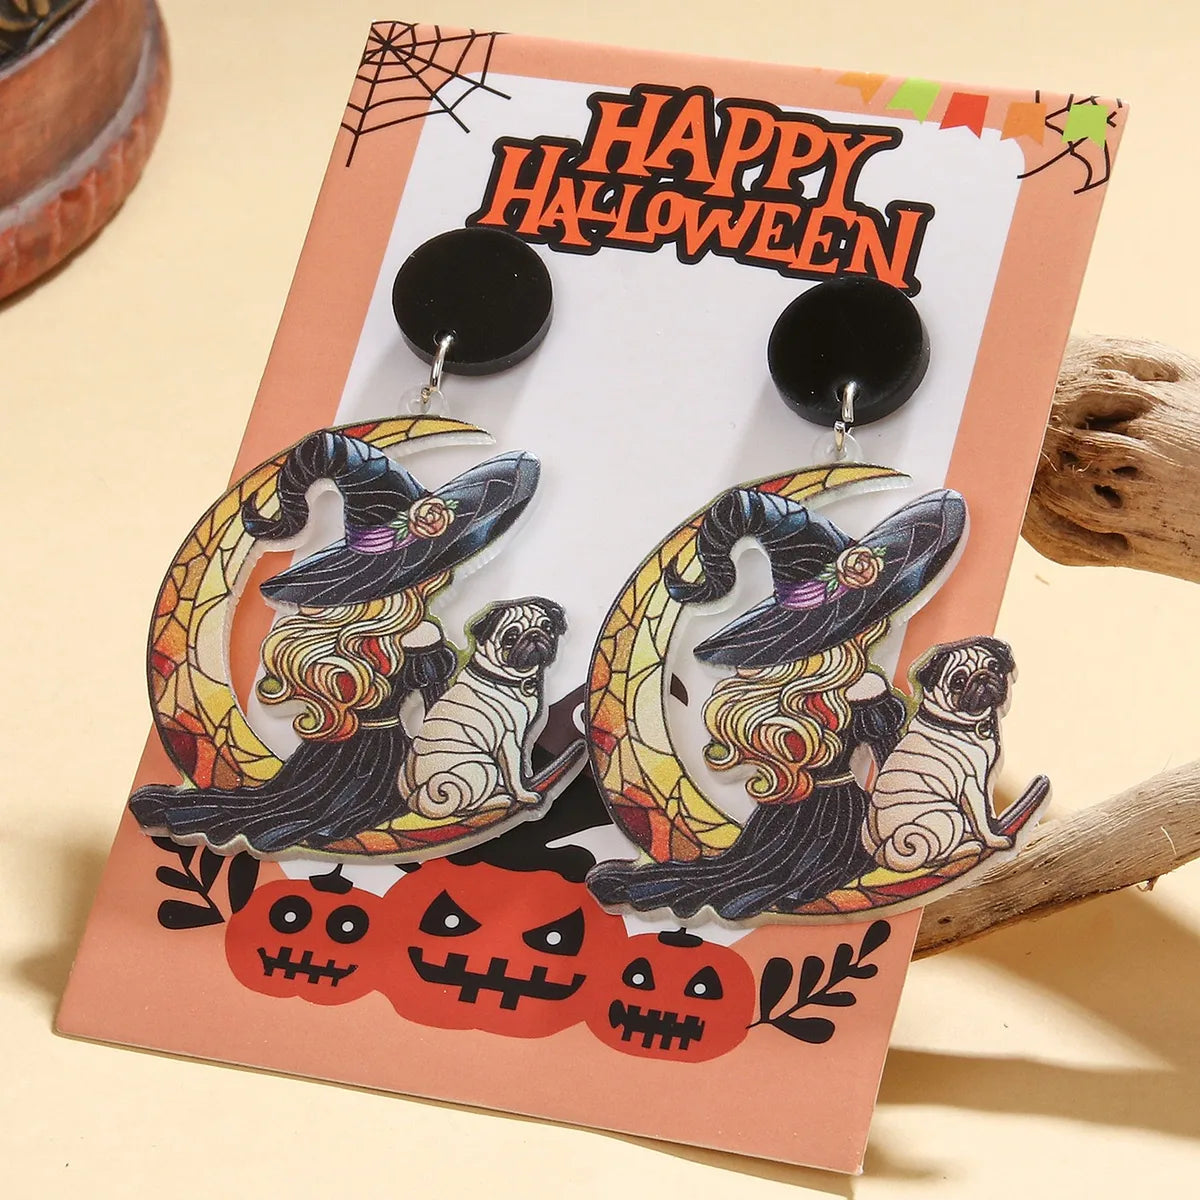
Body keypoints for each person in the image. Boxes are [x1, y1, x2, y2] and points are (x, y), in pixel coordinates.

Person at [130, 430, 539, 854]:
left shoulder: (338, 637)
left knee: (280, 807)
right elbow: (440, 714)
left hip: (322, 751)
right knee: (303, 818)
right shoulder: (423, 636)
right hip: (382, 767)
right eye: (431, 566)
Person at [588, 485, 965, 920]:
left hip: (781, 815)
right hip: (836, 823)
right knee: (761, 881)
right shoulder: (863, 689)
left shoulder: (778, 694)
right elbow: (893, 768)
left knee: (743, 876)